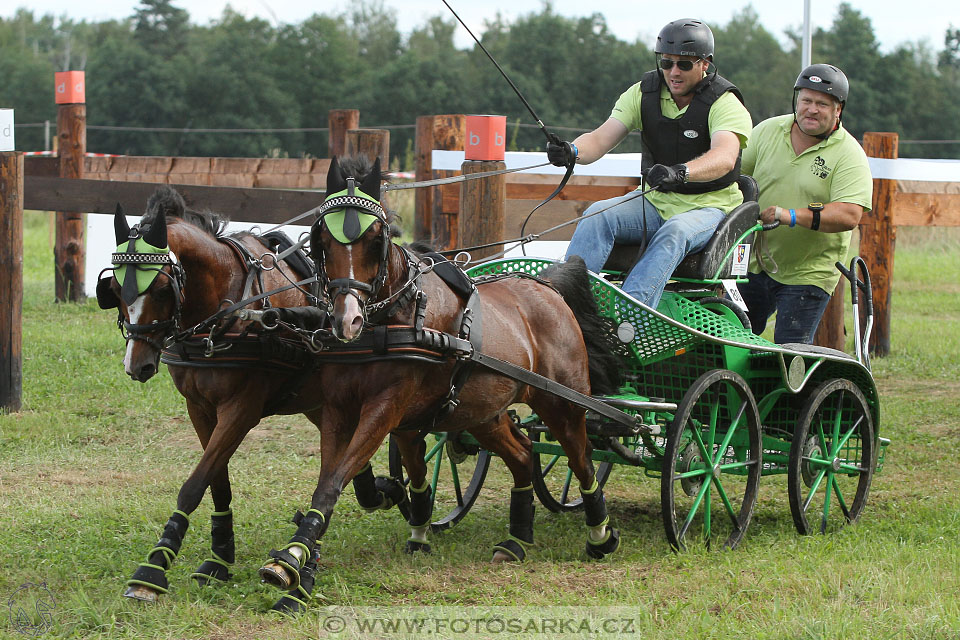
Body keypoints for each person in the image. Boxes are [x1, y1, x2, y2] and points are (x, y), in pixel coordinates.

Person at [547, 18, 753, 310]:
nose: (673, 72)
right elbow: (601, 138)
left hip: (709, 207)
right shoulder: (643, 92)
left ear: (704, 64)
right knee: (597, 214)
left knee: (676, 231)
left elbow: (724, 157)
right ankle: (566, 309)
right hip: (656, 202)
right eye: (666, 62)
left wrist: (681, 172)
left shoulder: (725, 102)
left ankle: (629, 318)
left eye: (683, 64)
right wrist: (572, 151)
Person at [737, 63, 872, 344]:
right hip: (754, 263)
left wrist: (791, 216)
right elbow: (734, 175)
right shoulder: (767, 132)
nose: (811, 109)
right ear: (795, 100)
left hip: (808, 271)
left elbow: (849, 214)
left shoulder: (849, 154)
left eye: (822, 104)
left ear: (838, 110)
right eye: (806, 100)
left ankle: (792, 389)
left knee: (790, 349)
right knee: (734, 338)